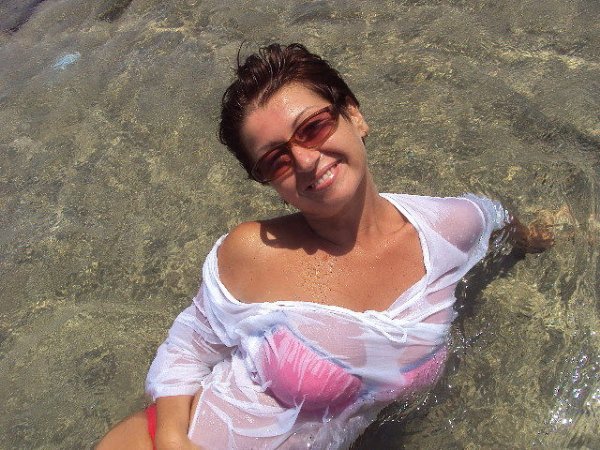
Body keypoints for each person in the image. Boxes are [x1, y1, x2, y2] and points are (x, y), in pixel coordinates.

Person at [97, 43, 552, 450]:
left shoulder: (449, 228)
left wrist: (534, 238)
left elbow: (497, 218)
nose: (305, 159)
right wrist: (173, 439)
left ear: (354, 115)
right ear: (269, 182)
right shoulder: (254, 251)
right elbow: (187, 349)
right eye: (275, 159)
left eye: (313, 128)